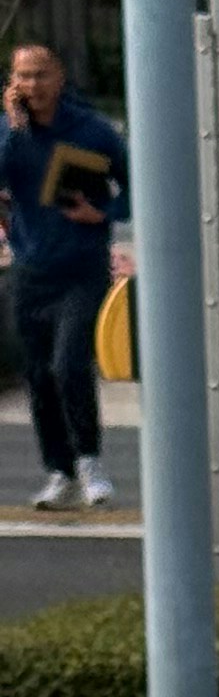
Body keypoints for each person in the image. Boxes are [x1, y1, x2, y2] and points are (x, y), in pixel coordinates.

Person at [2, 39, 131, 511]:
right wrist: (11, 128)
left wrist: (102, 212)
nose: (31, 85)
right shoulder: (10, 132)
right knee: (37, 374)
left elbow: (135, 188)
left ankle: (90, 461)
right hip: (30, 269)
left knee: (69, 365)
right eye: (21, 76)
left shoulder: (93, 131)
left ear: (59, 77)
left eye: (39, 75)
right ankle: (58, 472)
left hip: (81, 268)